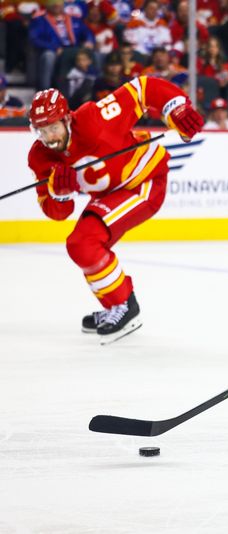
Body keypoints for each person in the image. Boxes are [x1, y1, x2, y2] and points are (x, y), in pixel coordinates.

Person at [26, 77, 203, 344]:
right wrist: (59, 195)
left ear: (66, 119)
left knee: (85, 242)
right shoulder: (40, 158)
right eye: (42, 130)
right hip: (113, 193)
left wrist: (175, 108)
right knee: (79, 245)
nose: (49, 137)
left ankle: (125, 307)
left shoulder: (94, 118)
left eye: (52, 127)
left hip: (144, 181)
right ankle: (115, 305)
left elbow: (144, 88)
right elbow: (56, 212)